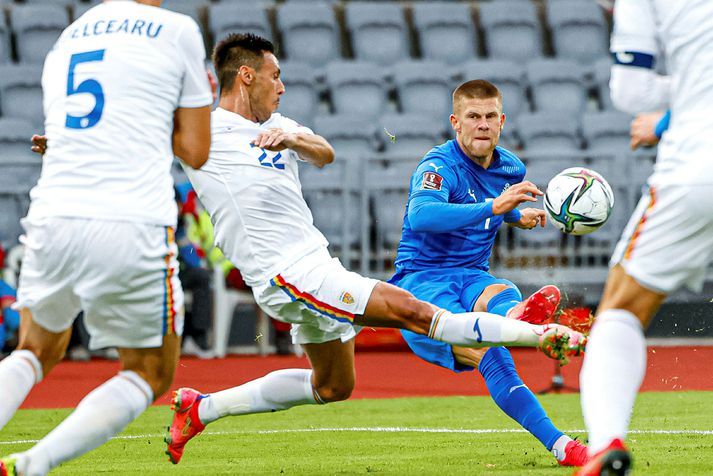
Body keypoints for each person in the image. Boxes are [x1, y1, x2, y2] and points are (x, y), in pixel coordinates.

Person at [163, 33, 586, 465]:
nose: (282, 86)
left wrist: (291, 141)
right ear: (247, 76)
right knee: (414, 311)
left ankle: (202, 408)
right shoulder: (204, 134)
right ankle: (536, 334)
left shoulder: (281, 126)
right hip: (284, 271)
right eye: (275, 77)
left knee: (331, 386)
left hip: (314, 262)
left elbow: (323, 153)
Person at [0, 1, 212, 474]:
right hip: (129, 220)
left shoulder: (70, 35)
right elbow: (196, 150)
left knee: (34, 350)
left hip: (53, 215)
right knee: (150, 371)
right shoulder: (175, 29)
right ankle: (32, 464)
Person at [389, 79, 588, 467]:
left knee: (501, 289)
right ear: (456, 123)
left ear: (502, 121)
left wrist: (516, 215)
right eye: (472, 116)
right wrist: (497, 208)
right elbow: (422, 215)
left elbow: (491, 203)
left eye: (489, 116)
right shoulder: (437, 165)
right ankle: (533, 343)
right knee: (492, 357)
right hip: (422, 285)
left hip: (473, 275)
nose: (482, 124)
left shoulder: (510, 167)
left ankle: (519, 320)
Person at [577, 1, 713, 474]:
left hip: (699, 165)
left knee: (621, 307)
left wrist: (667, 115)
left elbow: (632, 89)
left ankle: (605, 444)